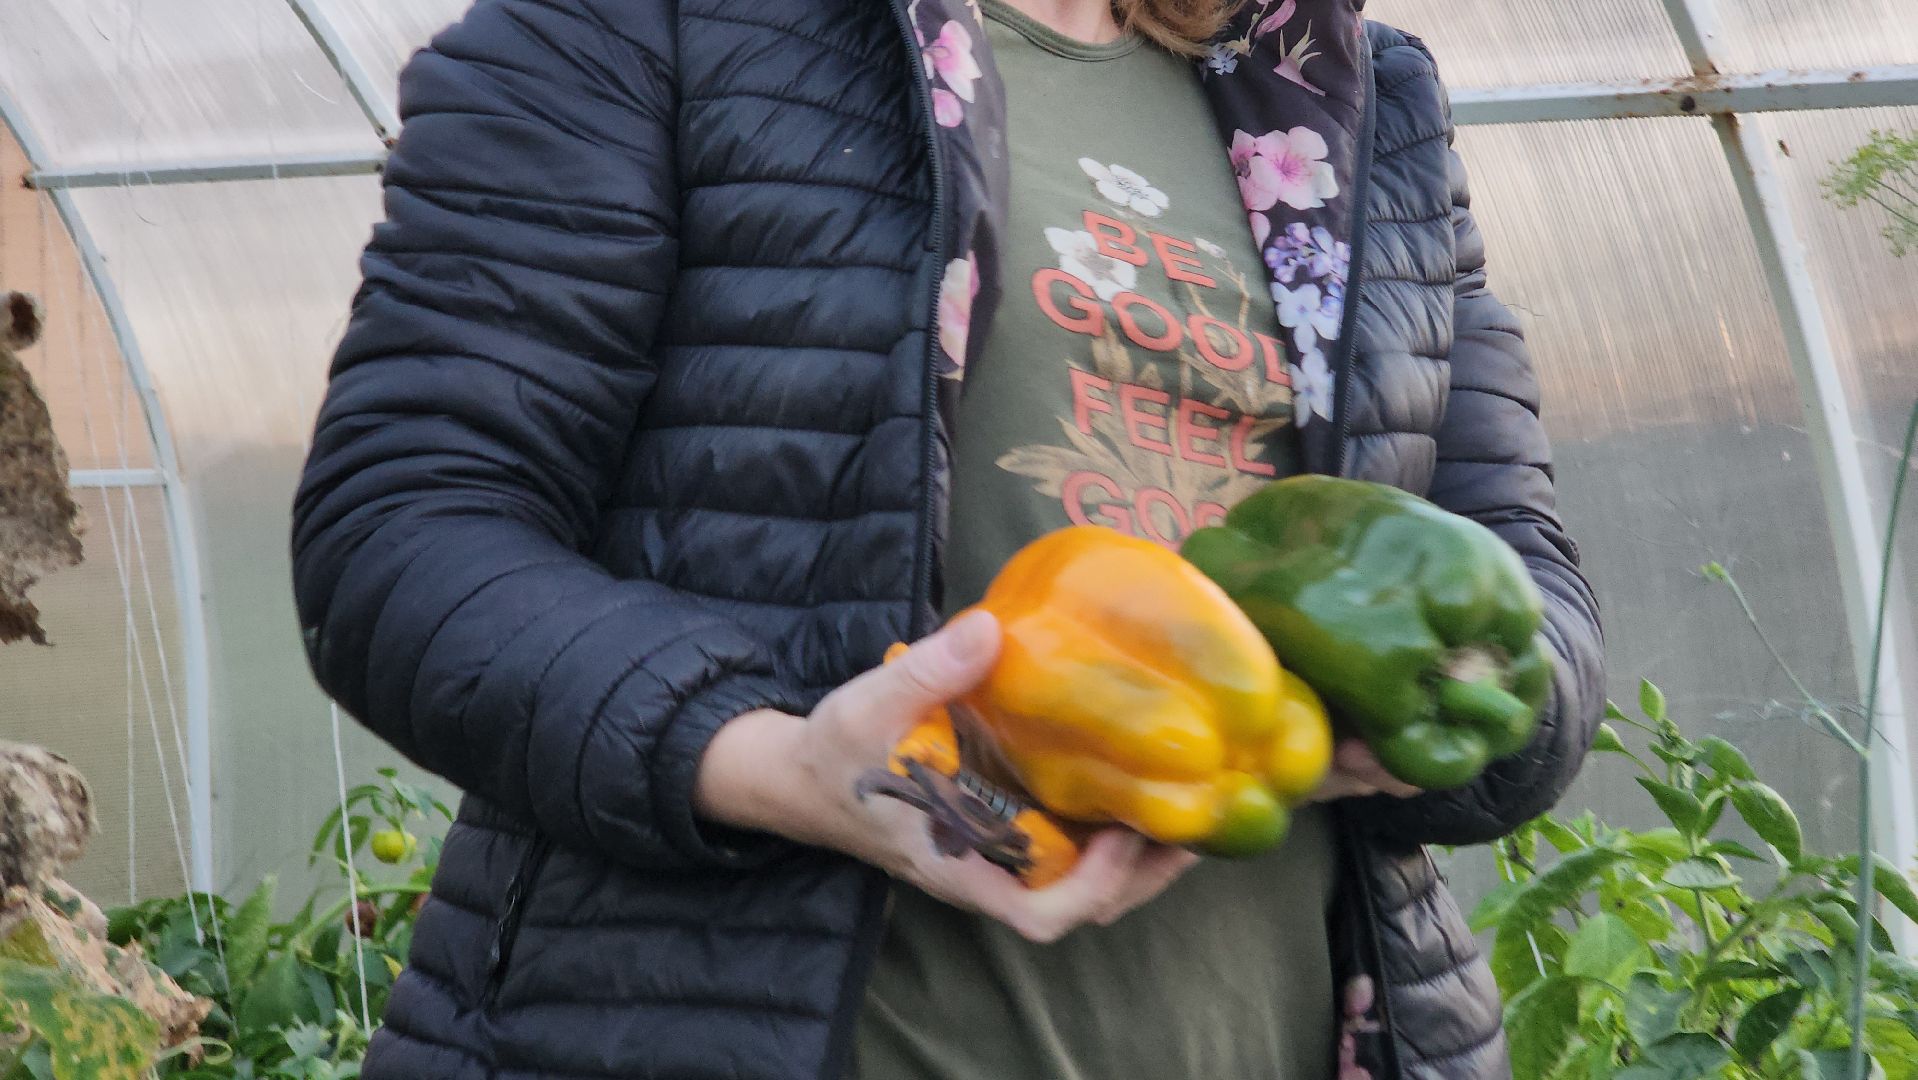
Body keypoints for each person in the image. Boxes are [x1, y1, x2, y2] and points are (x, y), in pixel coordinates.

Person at [290, 0, 1604, 1077]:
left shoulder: (1339, 89)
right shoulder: (636, 31)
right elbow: (404, 534)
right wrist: (773, 764)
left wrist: (1435, 722)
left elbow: (1526, 591)